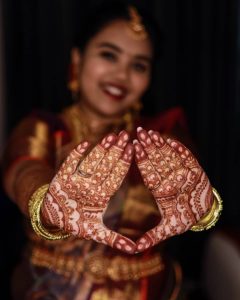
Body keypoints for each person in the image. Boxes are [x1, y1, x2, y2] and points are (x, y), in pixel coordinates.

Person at [1, 1, 222, 299]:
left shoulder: (163, 134)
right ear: (77, 59)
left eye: (138, 65)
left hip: (150, 291)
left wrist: (205, 208)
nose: (121, 75)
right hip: (51, 290)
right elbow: (24, 171)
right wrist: (46, 202)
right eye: (109, 55)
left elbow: (195, 190)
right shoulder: (43, 129)